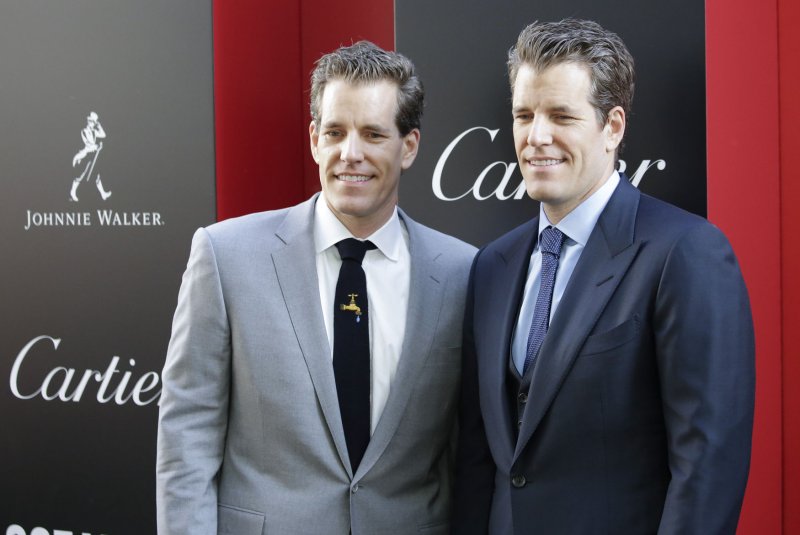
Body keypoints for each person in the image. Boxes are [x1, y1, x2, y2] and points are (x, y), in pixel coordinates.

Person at [156, 41, 475, 535]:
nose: (351, 154)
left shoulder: (462, 272)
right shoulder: (226, 257)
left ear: (408, 146)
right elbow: (187, 435)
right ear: (313, 140)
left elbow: (466, 447)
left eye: (372, 133)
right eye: (335, 132)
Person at [453, 19, 755, 534]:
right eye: (524, 115)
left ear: (613, 126)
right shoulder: (492, 266)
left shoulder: (686, 253)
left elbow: (707, 464)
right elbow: (480, 458)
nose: (536, 136)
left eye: (561, 116)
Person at [70, 111, 111, 201]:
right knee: (81, 174)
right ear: (88, 121)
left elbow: (104, 135)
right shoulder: (84, 131)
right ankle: (72, 192)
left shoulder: (94, 131)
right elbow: (89, 144)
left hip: (93, 156)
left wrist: (99, 125)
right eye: (91, 121)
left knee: (97, 176)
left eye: (94, 122)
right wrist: (97, 146)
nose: (92, 123)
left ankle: (103, 194)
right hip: (85, 155)